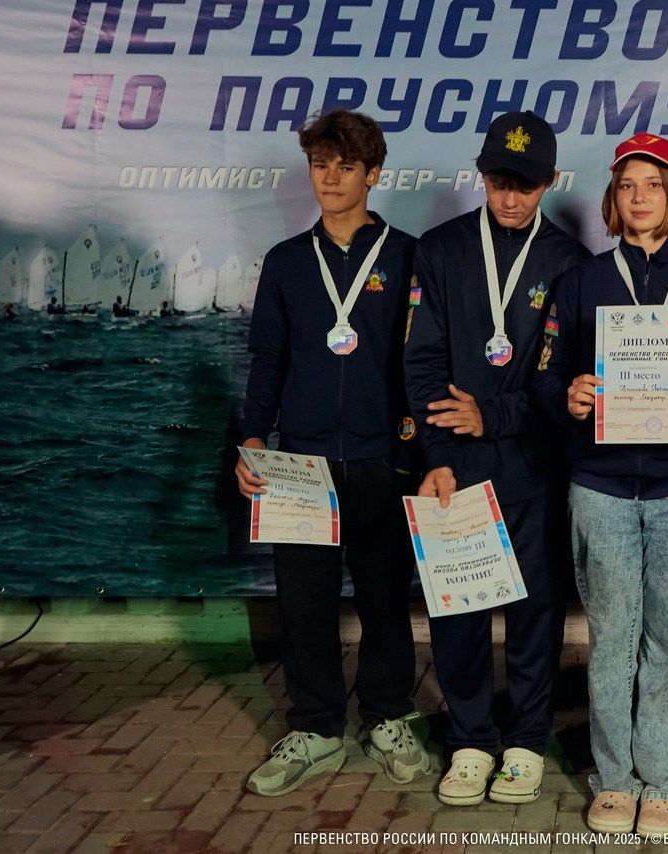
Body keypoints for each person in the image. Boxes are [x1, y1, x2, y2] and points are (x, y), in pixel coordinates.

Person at [533, 133, 668, 838]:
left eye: (654, 184)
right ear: (613, 200)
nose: (640, 196)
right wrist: (568, 395)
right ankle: (614, 780)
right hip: (600, 486)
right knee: (613, 636)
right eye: (627, 185)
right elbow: (544, 376)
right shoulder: (581, 282)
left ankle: (665, 781)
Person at [235, 109, 427, 797]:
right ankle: (316, 727)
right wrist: (253, 439)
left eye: (347, 166)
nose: (332, 178)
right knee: (304, 602)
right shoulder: (287, 262)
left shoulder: (409, 257)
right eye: (321, 165)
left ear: (373, 174)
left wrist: (428, 450)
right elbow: (267, 359)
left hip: (384, 457)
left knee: (385, 597)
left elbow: (425, 361)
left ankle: (388, 716)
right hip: (301, 463)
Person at [403, 110, 590, 806]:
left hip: (535, 463)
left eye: (526, 185)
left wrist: (496, 415)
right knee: (458, 610)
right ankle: (471, 740)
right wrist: (436, 453)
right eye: (499, 181)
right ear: (480, 175)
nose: (510, 197)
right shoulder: (441, 250)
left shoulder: (569, 262)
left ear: (550, 182)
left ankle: (526, 740)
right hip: (455, 463)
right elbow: (421, 362)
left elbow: (560, 382)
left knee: (537, 609)